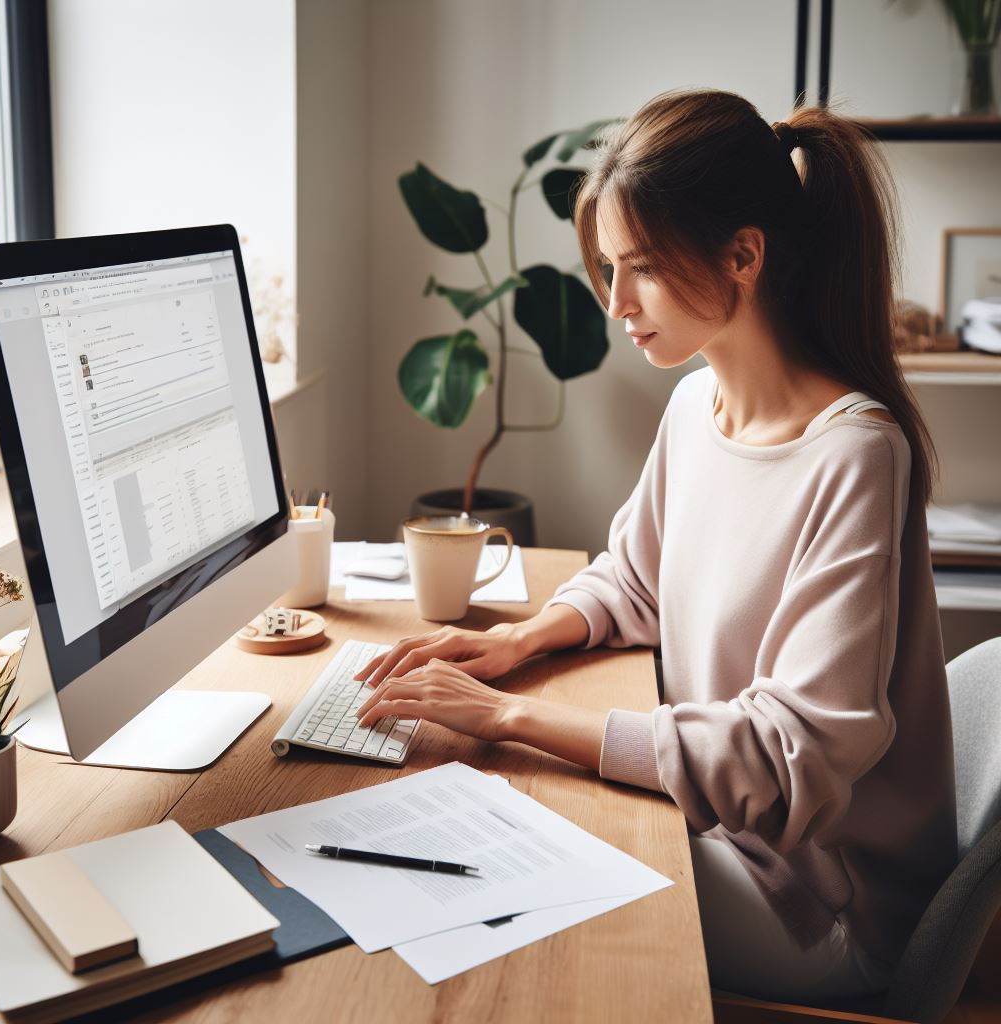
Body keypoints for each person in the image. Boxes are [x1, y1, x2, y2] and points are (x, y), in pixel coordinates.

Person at [356, 89, 957, 1004]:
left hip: (820, 901)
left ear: (744, 255)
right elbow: (636, 578)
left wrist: (512, 716)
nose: (614, 303)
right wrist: (521, 642)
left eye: (639, 268)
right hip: (724, 836)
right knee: (490, 835)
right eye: (606, 267)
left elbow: (784, 755)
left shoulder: (857, 455)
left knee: (507, 890)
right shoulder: (695, 406)